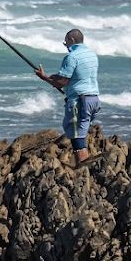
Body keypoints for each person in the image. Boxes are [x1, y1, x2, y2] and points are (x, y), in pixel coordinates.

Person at [35, 28, 100, 165]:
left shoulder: (72, 57)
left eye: (66, 43)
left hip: (79, 100)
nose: (66, 46)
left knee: (77, 138)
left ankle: (83, 169)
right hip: (93, 99)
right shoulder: (92, 55)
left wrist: (44, 78)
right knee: (81, 134)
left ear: (71, 40)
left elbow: (61, 83)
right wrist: (56, 77)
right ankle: (85, 167)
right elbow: (77, 76)